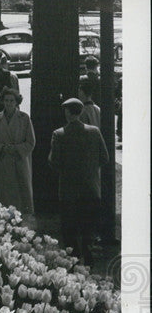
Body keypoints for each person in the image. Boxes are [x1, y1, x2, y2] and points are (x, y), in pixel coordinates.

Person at [48, 97, 109, 265]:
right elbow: (104, 157)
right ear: (81, 112)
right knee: (88, 229)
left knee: (70, 231)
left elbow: (54, 162)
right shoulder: (94, 132)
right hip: (90, 188)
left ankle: (73, 264)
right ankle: (89, 260)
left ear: (67, 113)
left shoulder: (59, 134)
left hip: (68, 191)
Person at [0, 86, 36, 216]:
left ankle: (23, 219)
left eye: (12, 101)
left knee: (21, 193)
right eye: (6, 100)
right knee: (5, 194)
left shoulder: (24, 118)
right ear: (2, 101)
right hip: (3, 161)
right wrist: (2, 148)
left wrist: (16, 149)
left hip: (20, 161)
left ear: (17, 102)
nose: (9, 103)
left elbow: (31, 142)